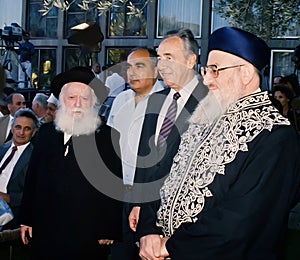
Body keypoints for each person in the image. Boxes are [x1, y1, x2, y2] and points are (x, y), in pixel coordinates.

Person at [138, 26, 300, 260]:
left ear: (245, 74)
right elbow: (164, 175)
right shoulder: (202, 117)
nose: (206, 79)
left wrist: (171, 247)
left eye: (215, 70)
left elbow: (243, 219)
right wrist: (148, 230)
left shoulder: (276, 136)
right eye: (206, 70)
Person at [19, 66, 123, 260]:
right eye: (71, 98)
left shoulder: (108, 137)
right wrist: (26, 218)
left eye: (84, 99)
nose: (77, 104)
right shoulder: (46, 133)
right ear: (62, 102)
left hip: (87, 234)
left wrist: (109, 228)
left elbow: (114, 185)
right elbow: (33, 178)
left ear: (93, 103)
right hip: (45, 230)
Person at [127, 28, 209, 244]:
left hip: (186, 222)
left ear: (191, 61)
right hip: (147, 215)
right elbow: (143, 156)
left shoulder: (210, 102)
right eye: (160, 58)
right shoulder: (154, 101)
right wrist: (137, 203)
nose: (161, 65)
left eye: (169, 58)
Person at [107, 47, 165, 259]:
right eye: (129, 67)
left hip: (151, 197)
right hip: (117, 191)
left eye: (139, 66)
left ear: (156, 70)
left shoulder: (168, 103)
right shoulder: (120, 100)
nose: (132, 72)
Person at [0, 108, 38, 230]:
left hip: (13, 215)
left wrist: (8, 197)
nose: (21, 132)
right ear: (12, 128)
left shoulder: (36, 157)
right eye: (18, 127)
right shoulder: (3, 149)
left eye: (27, 129)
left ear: (34, 132)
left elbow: (36, 193)